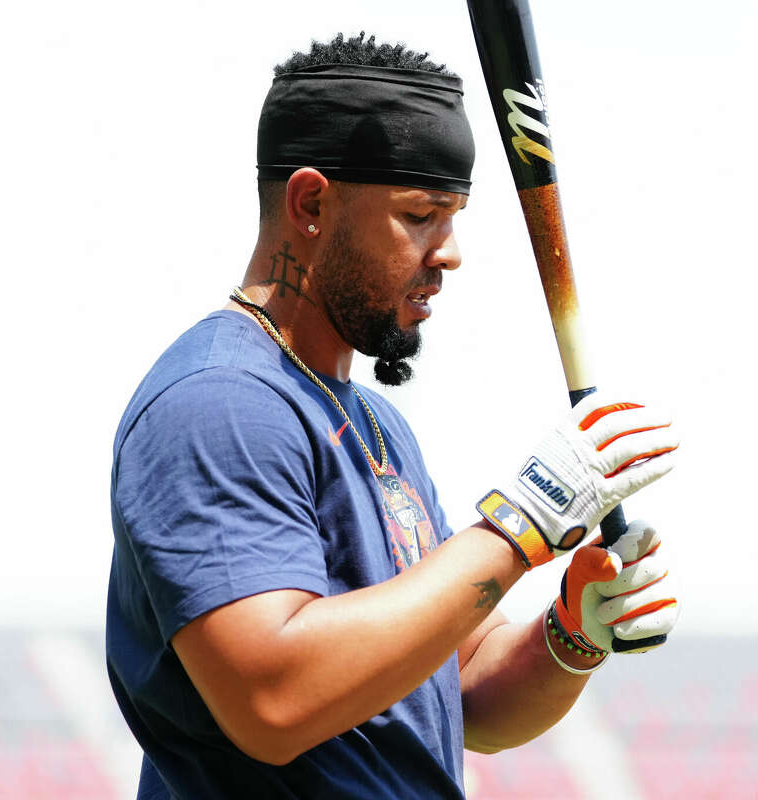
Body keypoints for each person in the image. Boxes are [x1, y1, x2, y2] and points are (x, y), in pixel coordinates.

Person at [106, 33, 681, 799]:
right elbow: (273, 699)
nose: (449, 253)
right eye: (420, 214)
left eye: (453, 217)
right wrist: (523, 523)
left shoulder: (373, 424)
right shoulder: (222, 405)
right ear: (310, 203)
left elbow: (463, 686)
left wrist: (572, 632)